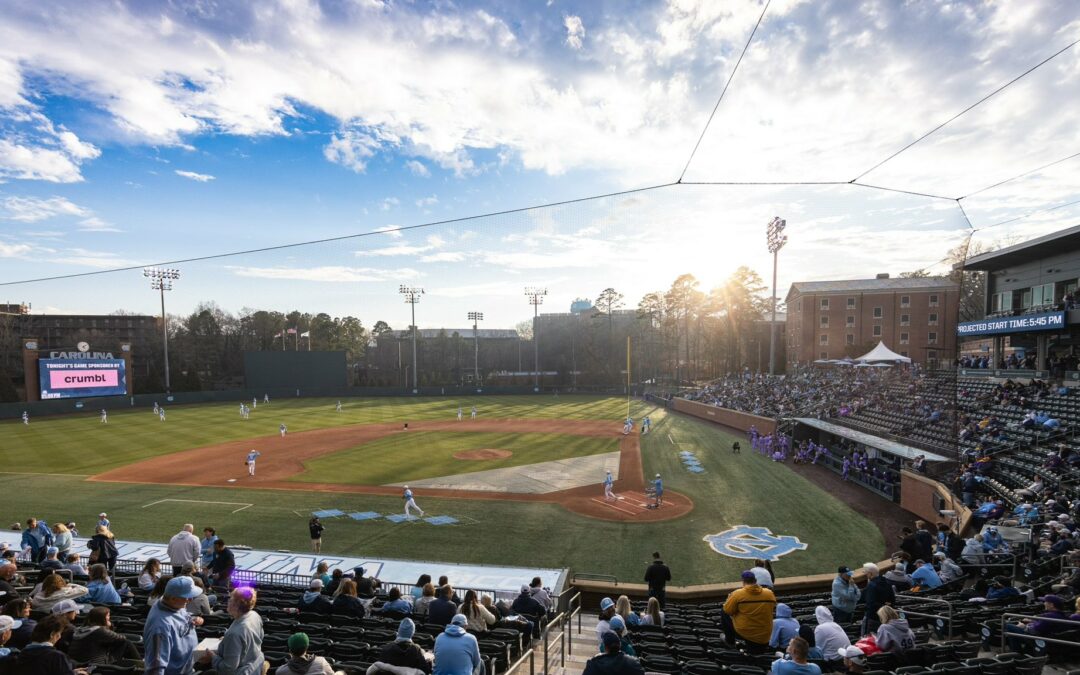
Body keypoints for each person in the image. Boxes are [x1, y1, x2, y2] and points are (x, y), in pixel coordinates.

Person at [143, 576, 205, 675]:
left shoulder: (173, 604)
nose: (190, 599)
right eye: (187, 597)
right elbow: (156, 668)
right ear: (173, 598)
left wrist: (193, 619)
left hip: (188, 668)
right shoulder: (160, 627)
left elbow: (178, 617)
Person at [2, 614, 86, 675]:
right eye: (59, 633)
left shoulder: (20, 654)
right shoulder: (56, 657)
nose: (59, 637)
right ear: (52, 634)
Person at [208, 587, 265, 675]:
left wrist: (213, 657)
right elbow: (257, 639)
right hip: (255, 666)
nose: (228, 602)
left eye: (230, 600)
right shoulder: (255, 615)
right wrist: (228, 640)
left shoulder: (234, 634)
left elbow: (228, 668)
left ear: (236, 605)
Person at [68, 606, 141, 666]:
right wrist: (109, 626)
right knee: (126, 643)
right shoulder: (99, 631)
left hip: (79, 662)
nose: (109, 618)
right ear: (102, 618)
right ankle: (141, 664)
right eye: (108, 616)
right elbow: (121, 638)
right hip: (97, 663)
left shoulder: (79, 629)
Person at [722, 571, 777, 649]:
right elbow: (773, 607)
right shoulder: (769, 593)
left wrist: (729, 599)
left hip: (746, 633)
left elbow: (728, 610)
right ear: (755, 580)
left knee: (723, 612)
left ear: (743, 581)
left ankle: (729, 641)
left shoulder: (737, 594)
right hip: (766, 634)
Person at [1004, 594, 1072, 651]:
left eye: (1045, 602)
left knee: (1009, 626)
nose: (1044, 603)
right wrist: (1033, 622)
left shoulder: (1049, 616)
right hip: (1053, 641)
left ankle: (1017, 651)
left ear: (1051, 605)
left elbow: (1035, 631)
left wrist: (1024, 626)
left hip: (1040, 640)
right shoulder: (1064, 616)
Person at [859, 563, 895, 635]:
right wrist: (884, 605)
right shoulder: (887, 582)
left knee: (869, 638)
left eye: (866, 573)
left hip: (873, 618)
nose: (865, 575)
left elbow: (870, 603)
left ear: (870, 574)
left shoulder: (871, 585)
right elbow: (892, 601)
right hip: (885, 617)